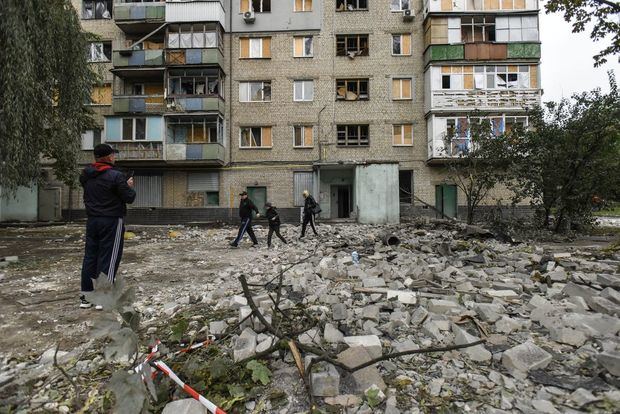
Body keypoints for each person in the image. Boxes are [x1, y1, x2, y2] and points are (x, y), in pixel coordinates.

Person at [80, 144, 136, 309]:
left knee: (90, 257)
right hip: (111, 220)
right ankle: (103, 298)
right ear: (109, 157)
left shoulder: (86, 175)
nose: (114, 157)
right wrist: (129, 186)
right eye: (113, 155)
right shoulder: (115, 176)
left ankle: (86, 296)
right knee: (109, 257)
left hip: (92, 220)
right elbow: (129, 198)